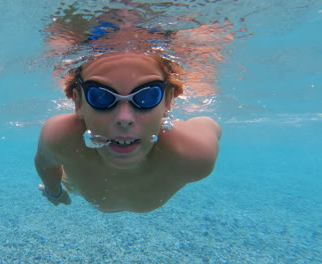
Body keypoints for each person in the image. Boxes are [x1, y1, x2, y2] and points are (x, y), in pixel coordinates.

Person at [34, 3, 235, 213]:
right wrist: (54, 191)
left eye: (147, 96)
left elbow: (211, 126)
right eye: (101, 96)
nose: (124, 118)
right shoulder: (60, 138)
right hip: (74, 181)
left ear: (168, 101)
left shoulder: (194, 155)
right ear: (78, 102)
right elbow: (45, 164)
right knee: (71, 180)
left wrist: (53, 192)